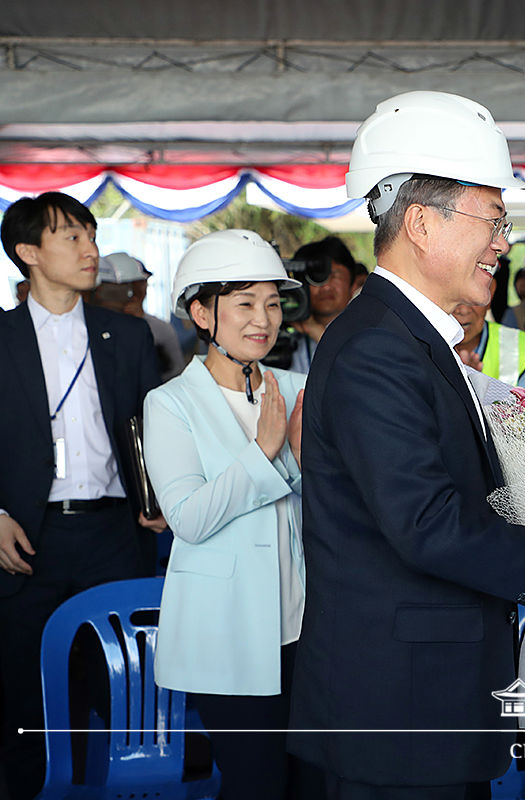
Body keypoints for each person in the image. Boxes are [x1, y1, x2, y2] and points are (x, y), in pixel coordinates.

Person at [287, 90, 525, 800]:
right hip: (400, 713)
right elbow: (426, 526)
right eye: (493, 219)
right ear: (421, 222)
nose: (504, 244)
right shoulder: (377, 351)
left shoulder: (413, 341)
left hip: (428, 701)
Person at [141, 229, 316, 800]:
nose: (263, 318)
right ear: (201, 312)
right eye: (244, 303)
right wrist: (263, 450)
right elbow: (189, 518)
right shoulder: (169, 403)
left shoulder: (297, 387)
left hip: (306, 625)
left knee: (314, 779)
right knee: (256, 782)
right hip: (227, 633)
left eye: (272, 302)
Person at [0, 192, 161, 799]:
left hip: (114, 537)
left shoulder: (128, 335)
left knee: (121, 688)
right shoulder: (3, 335)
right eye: (72, 237)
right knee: (27, 693)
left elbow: (147, 430)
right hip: (25, 540)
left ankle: (117, 788)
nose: (91, 249)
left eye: (90, 234)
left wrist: (158, 496)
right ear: (29, 253)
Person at [87, 251, 186, 381]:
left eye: (141, 284)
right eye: (130, 287)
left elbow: (174, 374)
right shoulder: (87, 325)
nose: (136, 292)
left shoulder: (159, 329)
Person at [287, 236, 367, 373]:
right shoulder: (288, 342)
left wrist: (316, 331)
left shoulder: (371, 331)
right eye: (316, 279)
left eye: (334, 276)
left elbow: (361, 376)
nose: (325, 286)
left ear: (353, 283)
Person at [452, 281, 525, 390]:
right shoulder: (426, 348)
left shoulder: (524, 349)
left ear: (490, 292)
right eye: (453, 296)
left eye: (473, 296)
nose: (463, 310)